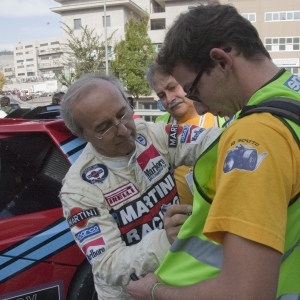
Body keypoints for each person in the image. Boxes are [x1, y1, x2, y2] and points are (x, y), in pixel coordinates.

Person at [127, 3, 300, 300]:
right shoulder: (290, 95)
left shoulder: (255, 136)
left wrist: (153, 290)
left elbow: (246, 293)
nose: (200, 106)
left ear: (221, 61)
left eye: (192, 90)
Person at [59, 73, 221, 299]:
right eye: (105, 127)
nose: (123, 130)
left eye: (122, 114)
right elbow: (107, 265)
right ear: (82, 135)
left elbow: (209, 140)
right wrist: (165, 240)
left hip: (174, 280)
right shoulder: (78, 189)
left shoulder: (149, 133)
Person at [147, 61, 226, 205]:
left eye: (172, 87)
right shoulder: (160, 126)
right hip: (181, 224)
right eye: (162, 95)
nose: (170, 98)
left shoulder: (221, 115)